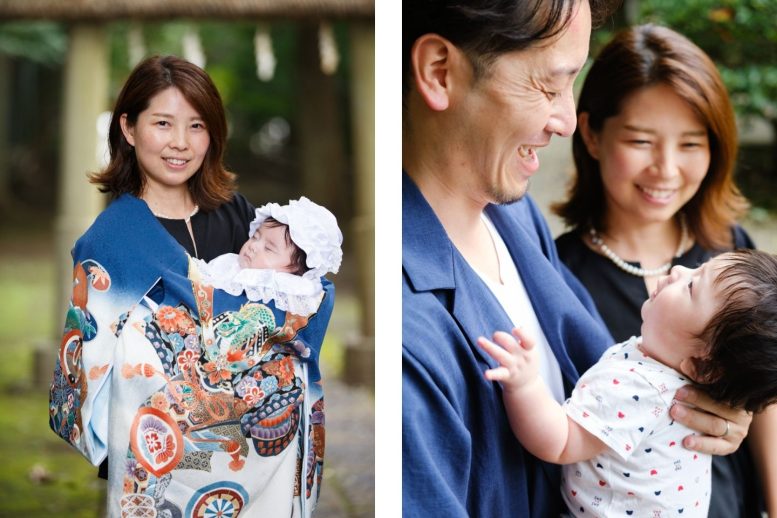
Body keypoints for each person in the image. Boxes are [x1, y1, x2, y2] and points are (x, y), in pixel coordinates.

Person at [402, 2, 753, 516]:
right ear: (440, 71)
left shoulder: (516, 216)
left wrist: (720, 402)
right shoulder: (410, 332)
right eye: (549, 84)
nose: (565, 120)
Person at [48, 55, 334, 517]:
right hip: (160, 451)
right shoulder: (110, 239)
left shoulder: (242, 218)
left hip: (255, 457)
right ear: (128, 127)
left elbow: (297, 307)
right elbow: (92, 358)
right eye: (163, 123)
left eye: (197, 126)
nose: (180, 143)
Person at [552, 24, 773, 515]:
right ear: (590, 133)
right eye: (641, 141)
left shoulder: (730, 253)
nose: (666, 169)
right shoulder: (558, 275)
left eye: (691, 145)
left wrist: (740, 410)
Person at [479, 249, 777, 516]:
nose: (678, 270)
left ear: (701, 365)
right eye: (698, 267)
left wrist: (525, 385)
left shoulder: (639, 388)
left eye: (691, 286)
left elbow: (561, 442)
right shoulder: (670, 373)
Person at [193, 196, 343, 317]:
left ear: (297, 268)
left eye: (269, 248)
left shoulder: (289, 288)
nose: (253, 246)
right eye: (255, 237)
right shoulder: (228, 264)